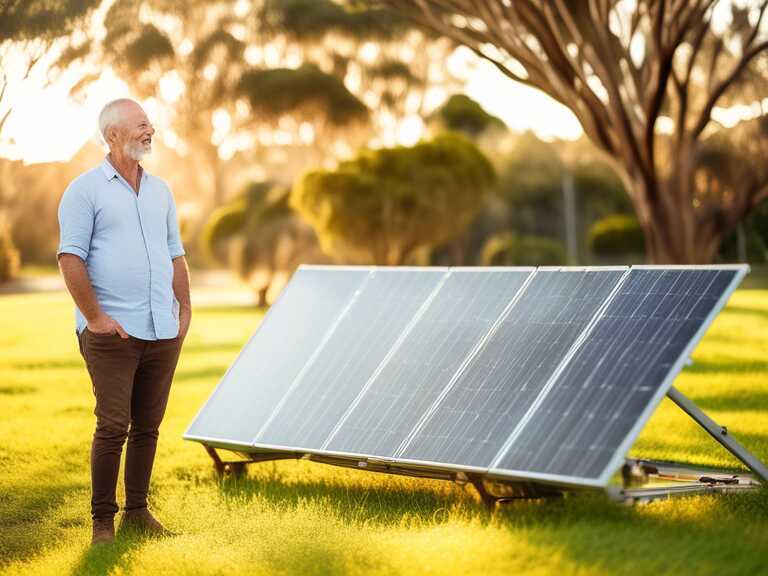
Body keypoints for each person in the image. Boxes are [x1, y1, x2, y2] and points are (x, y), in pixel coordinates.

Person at [57, 98, 191, 545]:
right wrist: (95, 318)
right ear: (112, 135)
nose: (149, 131)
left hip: (161, 330)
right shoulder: (84, 190)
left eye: (150, 124)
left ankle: (137, 512)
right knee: (113, 425)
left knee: (147, 427)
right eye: (139, 125)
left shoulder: (161, 191)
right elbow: (69, 257)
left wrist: (184, 310)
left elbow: (175, 252)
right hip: (113, 333)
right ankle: (102, 524)